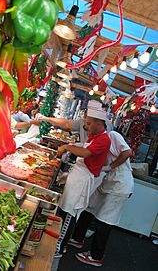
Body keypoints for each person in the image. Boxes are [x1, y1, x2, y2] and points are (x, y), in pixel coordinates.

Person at [51, 102, 111, 256]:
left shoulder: (104, 139)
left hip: (83, 179)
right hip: (78, 175)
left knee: (69, 213)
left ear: (99, 123)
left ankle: (59, 246)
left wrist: (67, 147)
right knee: (64, 210)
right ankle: (54, 242)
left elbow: (85, 153)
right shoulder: (95, 134)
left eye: (89, 123)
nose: (86, 126)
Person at [68, 131, 134, 267]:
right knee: (90, 206)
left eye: (90, 123)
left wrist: (110, 167)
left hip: (120, 184)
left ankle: (96, 256)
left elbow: (128, 153)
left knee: (105, 220)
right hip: (109, 181)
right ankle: (77, 237)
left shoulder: (112, 135)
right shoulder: (96, 139)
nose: (87, 126)